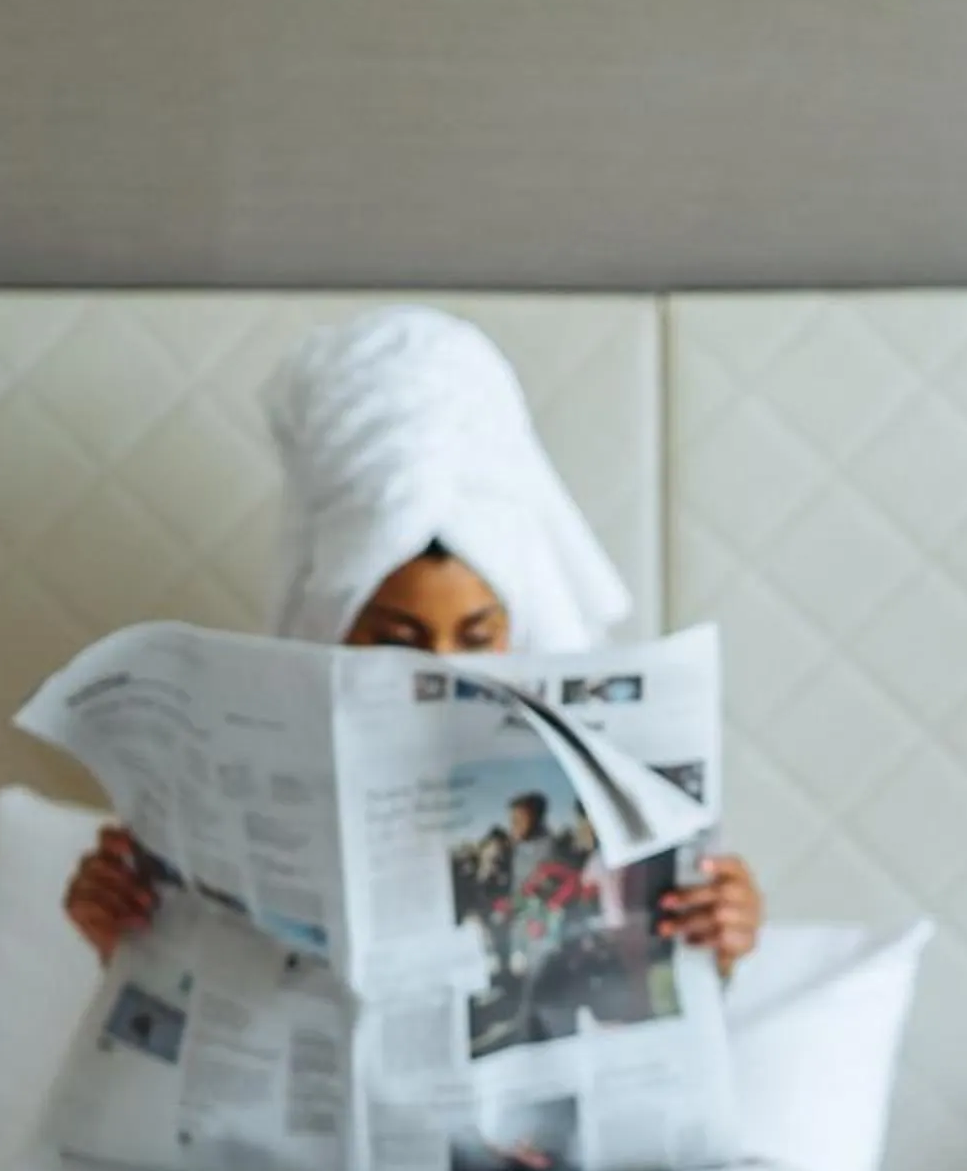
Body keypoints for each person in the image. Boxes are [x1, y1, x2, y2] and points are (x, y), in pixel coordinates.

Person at [64, 306, 764, 972]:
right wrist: (118, 937)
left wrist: (721, 944)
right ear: (337, 629)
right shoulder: (218, 780)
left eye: (477, 635)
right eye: (396, 641)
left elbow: (669, 1006)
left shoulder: (616, 772)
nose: (442, 673)